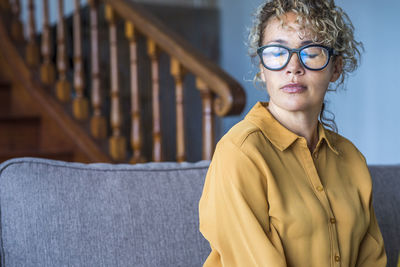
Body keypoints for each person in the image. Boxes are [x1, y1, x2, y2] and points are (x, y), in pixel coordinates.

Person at [198, 0, 387, 266]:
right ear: (262, 68)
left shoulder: (351, 159)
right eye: (277, 52)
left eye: (311, 52)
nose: (293, 67)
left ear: (336, 68)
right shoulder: (240, 152)